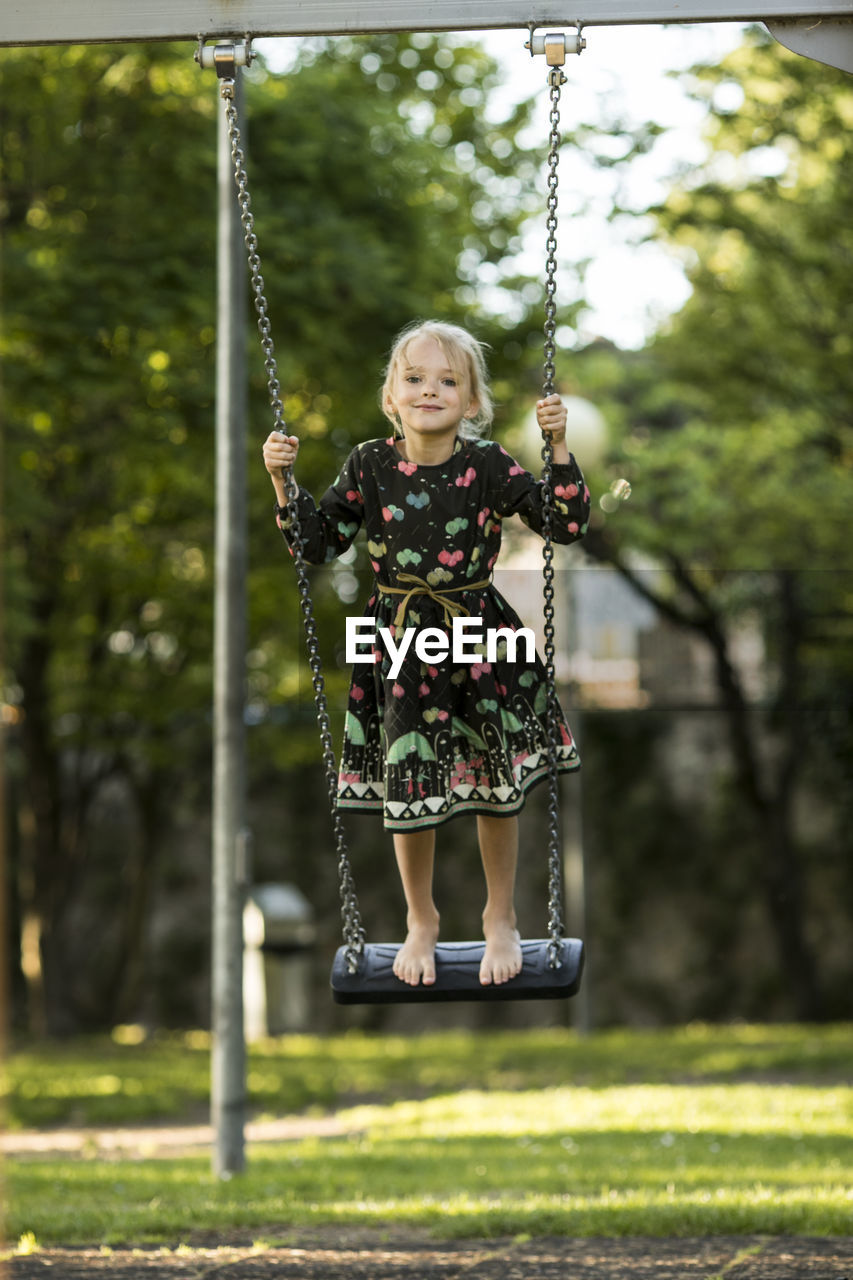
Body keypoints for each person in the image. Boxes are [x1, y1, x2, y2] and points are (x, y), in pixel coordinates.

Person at [262, 320, 590, 989]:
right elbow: (318, 544)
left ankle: (500, 916)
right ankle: (422, 920)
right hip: (402, 643)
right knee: (411, 787)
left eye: (447, 380)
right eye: (413, 378)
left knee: (493, 785)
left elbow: (565, 524)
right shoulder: (368, 465)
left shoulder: (488, 464)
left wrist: (556, 445)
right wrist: (281, 481)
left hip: (477, 634)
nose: (429, 390)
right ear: (390, 395)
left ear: (471, 402)